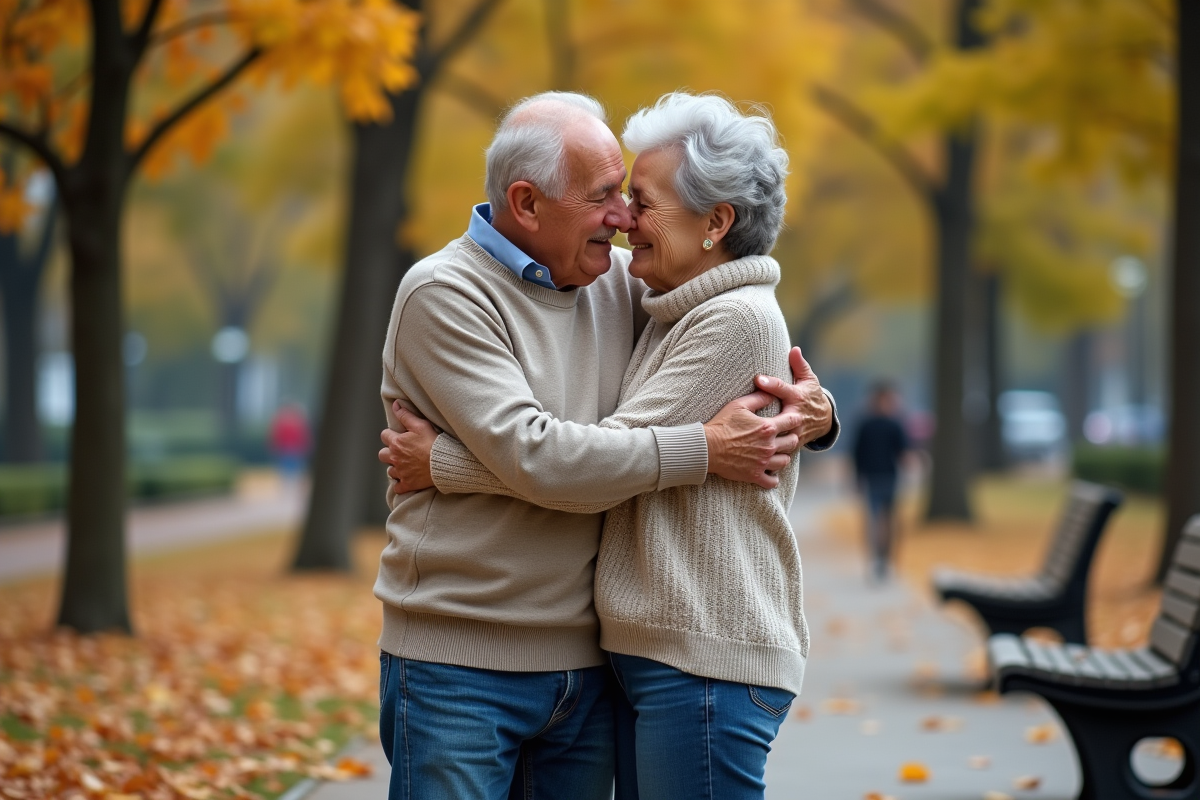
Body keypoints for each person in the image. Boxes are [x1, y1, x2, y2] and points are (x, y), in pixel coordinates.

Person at [381, 92, 837, 800]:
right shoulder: (445, 294)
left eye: (632, 198)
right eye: (605, 197)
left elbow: (729, 320)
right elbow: (544, 457)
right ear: (527, 204)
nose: (623, 220)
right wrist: (709, 448)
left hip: (592, 668)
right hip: (461, 663)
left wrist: (815, 409)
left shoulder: (620, 282)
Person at [851, 381, 910, 582]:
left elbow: (903, 452)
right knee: (873, 521)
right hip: (871, 479)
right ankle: (875, 559)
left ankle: (886, 559)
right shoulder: (866, 424)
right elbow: (857, 454)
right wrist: (857, 478)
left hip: (890, 478)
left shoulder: (895, 424)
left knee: (890, 521)